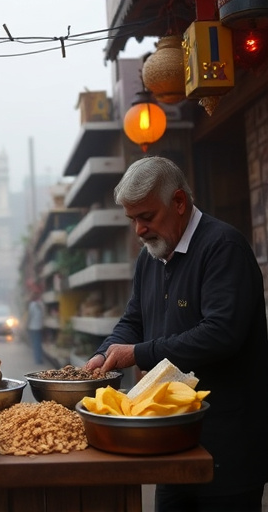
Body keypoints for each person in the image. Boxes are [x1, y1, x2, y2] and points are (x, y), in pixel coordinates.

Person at [84, 156, 268, 511]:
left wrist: (138, 353)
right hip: (171, 441)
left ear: (179, 202)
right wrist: (104, 352)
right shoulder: (151, 256)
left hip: (226, 445)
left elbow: (221, 334)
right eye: (132, 219)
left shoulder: (222, 247)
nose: (138, 230)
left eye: (146, 217)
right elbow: (133, 321)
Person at [27, 292, 44, 364]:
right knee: (39, 343)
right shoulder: (40, 304)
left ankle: (37, 360)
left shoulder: (32, 305)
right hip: (39, 326)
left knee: (35, 344)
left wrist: (26, 324)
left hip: (33, 327)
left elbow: (30, 316)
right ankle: (39, 359)